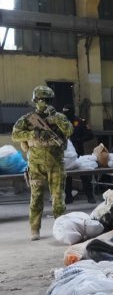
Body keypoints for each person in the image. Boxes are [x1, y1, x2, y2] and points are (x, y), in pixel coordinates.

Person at [11, 85, 74, 240]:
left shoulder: (58, 117)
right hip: (36, 164)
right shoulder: (27, 119)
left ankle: (60, 229)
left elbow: (69, 130)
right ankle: (35, 229)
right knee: (36, 198)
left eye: (47, 100)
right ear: (35, 100)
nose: (44, 102)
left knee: (58, 198)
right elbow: (15, 135)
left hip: (56, 163)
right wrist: (34, 133)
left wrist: (56, 118)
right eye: (41, 99)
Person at [62, 104, 96, 204]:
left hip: (79, 154)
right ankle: (68, 198)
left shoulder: (80, 121)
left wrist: (78, 140)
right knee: (67, 177)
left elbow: (90, 135)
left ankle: (90, 196)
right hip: (67, 155)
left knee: (84, 175)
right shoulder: (61, 122)